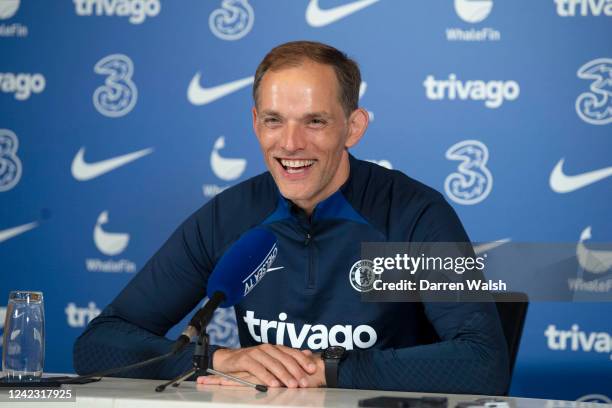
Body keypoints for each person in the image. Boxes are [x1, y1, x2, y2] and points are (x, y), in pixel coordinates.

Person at [74, 41, 509, 394]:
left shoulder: (414, 215)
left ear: (353, 127)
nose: (290, 143)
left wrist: (328, 368)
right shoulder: (230, 215)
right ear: (254, 123)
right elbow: (98, 343)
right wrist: (216, 358)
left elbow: (482, 361)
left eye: (315, 121)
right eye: (273, 120)